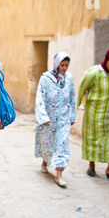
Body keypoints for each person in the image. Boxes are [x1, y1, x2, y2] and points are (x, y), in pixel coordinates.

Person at [77, 47, 109, 183]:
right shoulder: (95, 73)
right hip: (95, 113)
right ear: (106, 60)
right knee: (93, 140)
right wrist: (80, 106)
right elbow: (83, 89)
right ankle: (91, 165)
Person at [35, 52, 76, 187]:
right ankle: (45, 162)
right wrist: (43, 117)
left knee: (62, 146)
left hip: (63, 119)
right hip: (49, 119)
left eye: (66, 65)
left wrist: (72, 116)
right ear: (56, 64)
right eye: (62, 65)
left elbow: (71, 97)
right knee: (48, 143)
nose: (64, 68)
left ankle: (59, 175)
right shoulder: (46, 78)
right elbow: (40, 98)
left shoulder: (69, 78)